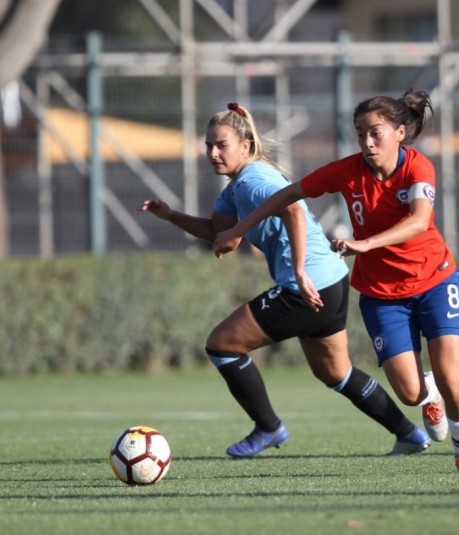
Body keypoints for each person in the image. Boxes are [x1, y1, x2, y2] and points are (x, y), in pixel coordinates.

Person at [140, 102, 430, 459]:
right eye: (208, 145)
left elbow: (292, 209)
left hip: (308, 285)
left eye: (222, 145)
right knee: (336, 372)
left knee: (222, 345)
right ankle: (409, 434)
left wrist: (299, 272)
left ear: (245, 146)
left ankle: (269, 427)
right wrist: (169, 215)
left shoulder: (252, 181)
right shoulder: (236, 186)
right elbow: (218, 231)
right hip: (332, 279)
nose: (213, 153)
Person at [213, 91, 459, 475]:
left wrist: (363, 244)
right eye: (360, 134)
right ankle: (428, 392)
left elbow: (420, 221)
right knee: (409, 393)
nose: (367, 142)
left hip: (436, 280)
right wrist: (239, 229)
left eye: (376, 133)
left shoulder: (418, 168)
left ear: (400, 133)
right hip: (381, 295)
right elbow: (289, 195)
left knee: (451, 374)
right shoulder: (347, 170)